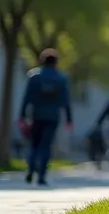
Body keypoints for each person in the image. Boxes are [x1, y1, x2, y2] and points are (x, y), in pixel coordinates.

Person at [19, 49, 72, 186]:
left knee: (34, 144)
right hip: (53, 117)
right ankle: (42, 175)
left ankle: (31, 167)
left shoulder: (34, 77)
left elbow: (27, 97)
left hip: (36, 115)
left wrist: (22, 115)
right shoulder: (61, 79)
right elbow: (66, 100)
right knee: (46, 145)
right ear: (56, 63)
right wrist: (69, 118)